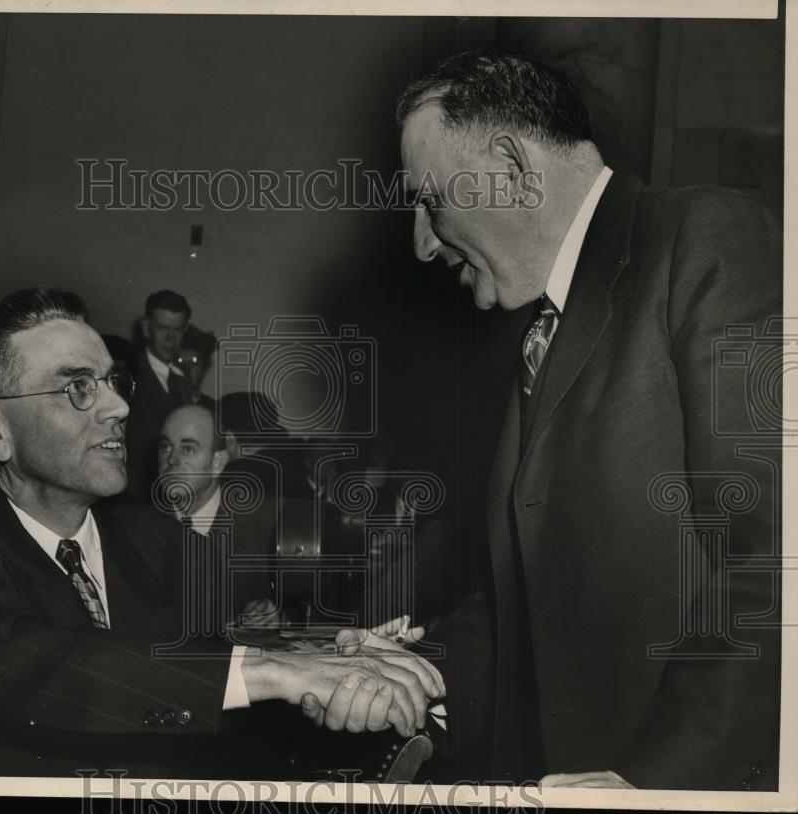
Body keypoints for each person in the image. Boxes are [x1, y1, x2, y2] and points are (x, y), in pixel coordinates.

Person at [307, 51, 780, 791]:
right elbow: (534, 604)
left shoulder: (705, 239)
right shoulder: (537, 331)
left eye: (429, 200)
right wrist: (423, 671)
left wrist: (658, 784)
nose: (422, 243)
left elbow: (774, 555)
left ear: (511, 167)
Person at [0, 287, 444, 777]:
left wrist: (338, 649)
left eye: (114, 383)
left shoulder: (146, 532)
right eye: (77, 388)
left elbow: (245, 622)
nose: (119, 407)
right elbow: (23, 662)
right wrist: (276, 672)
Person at [157, 404, 280, 630]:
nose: (171, 460)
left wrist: (276, 612)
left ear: (217, 462)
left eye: (187, 449)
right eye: (165, 446)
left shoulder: (269, 521)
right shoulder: (136, 525)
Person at [125, 289, 192, 499]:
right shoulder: (128, 374)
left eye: (178, 330)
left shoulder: (182, 380)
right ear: (146, 328)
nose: (171, 339)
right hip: (135, 499)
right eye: (163, 329)